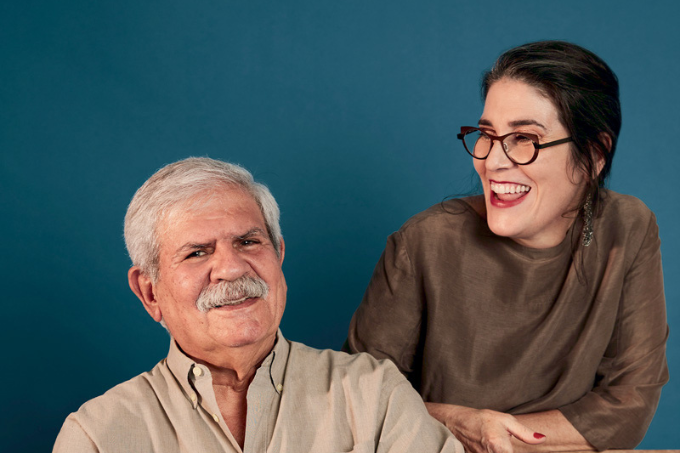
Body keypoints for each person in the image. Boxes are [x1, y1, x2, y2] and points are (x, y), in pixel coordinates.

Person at [345, 41, 669, 453]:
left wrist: (494, 434)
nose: (492, 161)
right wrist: (464, 424)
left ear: (593, 155)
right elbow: (358, 402)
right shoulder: (424, 243)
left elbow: (631, 403)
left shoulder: (629, 228)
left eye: (524, 138)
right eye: (487, 134)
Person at [53, 157, 463, 453]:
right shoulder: (98, 437)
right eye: (197, 253)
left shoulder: (376, 395)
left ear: (278, 255)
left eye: (248, 242)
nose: (231, 269)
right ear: (149, 292)